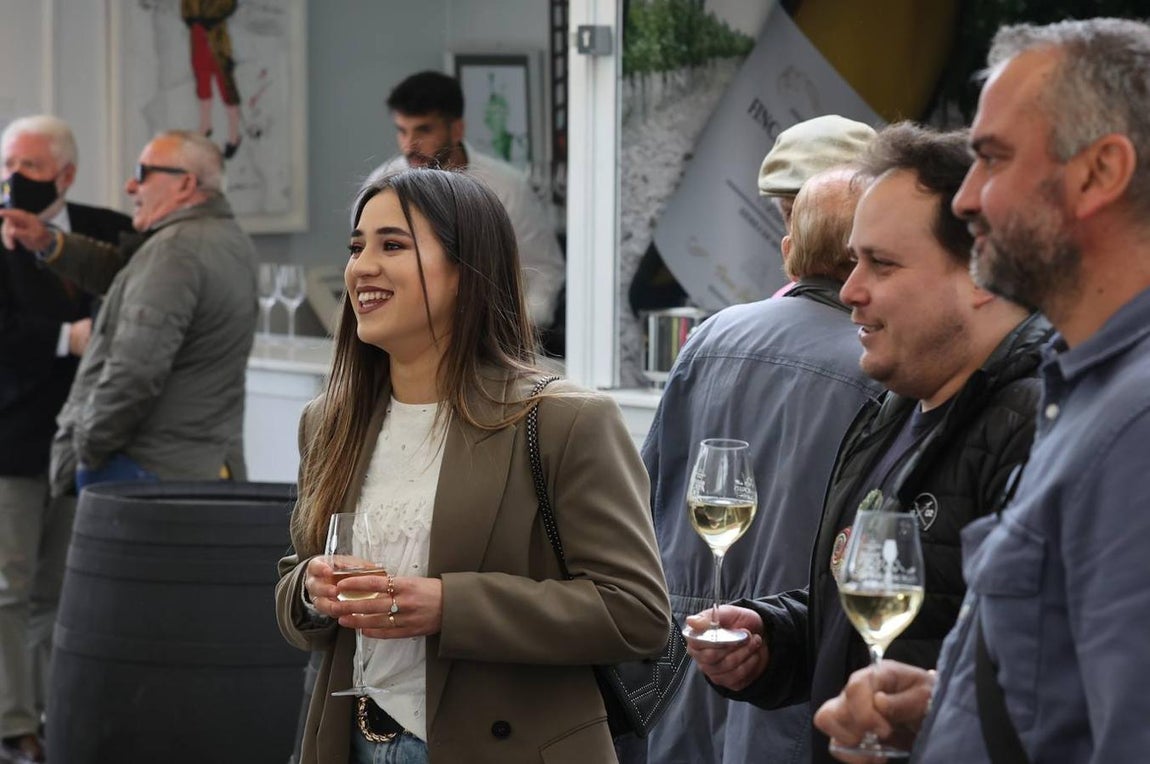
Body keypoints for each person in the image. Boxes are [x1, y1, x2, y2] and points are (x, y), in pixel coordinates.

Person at [814, 18, 1150, 762]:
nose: (966, 199)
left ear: (1101, 171)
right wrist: (949, 708)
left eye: (993, 159)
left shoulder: (1134, 422)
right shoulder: (1081, 386)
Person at [274, 168, 670, 764]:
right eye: (357, 247)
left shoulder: (564, 420)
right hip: (353, 743)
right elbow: (296, 581)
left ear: (466, 272)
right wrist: (311, 588)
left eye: (392, 245)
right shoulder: (329, 420)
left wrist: (448, 606)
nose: (361, 267)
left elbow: (637, 613)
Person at [687, 124, 1051, 764]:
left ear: (983, 273)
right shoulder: (895, 404)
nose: (850, 289)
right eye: (854, 260)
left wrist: (922, 723)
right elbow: (871, 608)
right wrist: (774, 640)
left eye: (880, 264)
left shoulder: (1041, 427)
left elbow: (1048, 685)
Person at [636, 167, 883, 764]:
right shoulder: (877, 365)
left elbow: (646, 495)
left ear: (789, 252)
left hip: (685, 655)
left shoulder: (711, 335)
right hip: (790, 670)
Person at [1, 129, 257, 497]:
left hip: (148, 470)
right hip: (200, 462)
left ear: (185, 184)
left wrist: (85, 447)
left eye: (142, 173)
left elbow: (135, 371)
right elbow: (129, 276)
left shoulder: (174, 252)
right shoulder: (224, 238)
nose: (130, 186)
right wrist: (49, 242)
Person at [0, 115, 132, 764]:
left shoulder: (110, 229)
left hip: (89, 439)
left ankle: (57, 712)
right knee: (7, 585)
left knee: (61, 587)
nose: (12, 178)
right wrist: (66, 338)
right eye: (7, 165)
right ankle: (12, 723)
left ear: (65, 174)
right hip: (12, 438)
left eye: (28, 166)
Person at [368, 71, 565, 334]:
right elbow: (370, 267)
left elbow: (544, 271)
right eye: (402, 131)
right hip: (406, 334)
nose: (409, 145)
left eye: (424, 130)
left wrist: (517, 332)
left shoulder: (507, 189)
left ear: (457, 130)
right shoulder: (381, 187)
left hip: (494, 336)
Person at [628, 114, 876, 314]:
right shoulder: (781, 306)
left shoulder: (889, 309)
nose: (804, 234)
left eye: (821, 216)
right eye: (791, 214)